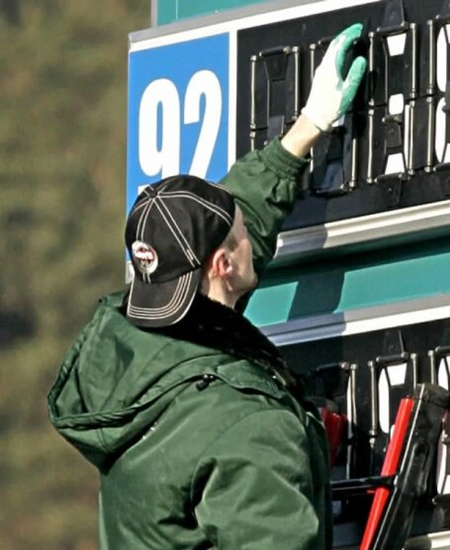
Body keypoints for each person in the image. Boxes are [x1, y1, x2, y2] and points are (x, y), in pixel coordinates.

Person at [47, 23, 367, 549]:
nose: (250, 233)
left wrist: (308, 126)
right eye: (240, 235)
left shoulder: (135, 355)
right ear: (222, 264)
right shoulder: (247, 428)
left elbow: (238, 215)